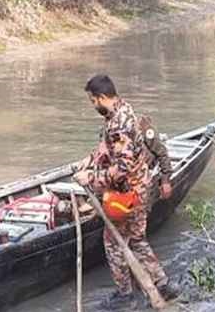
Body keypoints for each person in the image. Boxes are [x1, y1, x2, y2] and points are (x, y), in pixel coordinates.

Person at [72, 75, 178, 309]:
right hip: (139, 188)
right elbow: (106, 149)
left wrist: (91, 178)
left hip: (128, 195)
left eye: (93, 101)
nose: (93, 106)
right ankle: (163, 284)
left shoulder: (120, 125)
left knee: (113, 242)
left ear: (101, 97)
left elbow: (122, 169)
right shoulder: (120, 111)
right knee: (137, 239)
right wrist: (88, 161)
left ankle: (125, 294)